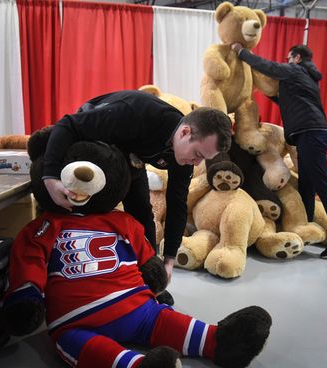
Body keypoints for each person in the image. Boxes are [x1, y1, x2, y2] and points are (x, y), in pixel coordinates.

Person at [42, 90, 232, 304]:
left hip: (132, 152)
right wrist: (50, 177)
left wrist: (168, 260)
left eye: (203, 159)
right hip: (93, 141)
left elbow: (177, 202)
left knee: (142, 213)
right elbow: (67, 125)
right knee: (93, 207)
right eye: (198, 154)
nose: (197, 163)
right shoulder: (135, 114)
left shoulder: (184, 156)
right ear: (184, 132)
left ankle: (150, 282)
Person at [231, 43, 327, 259]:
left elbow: (268, 67)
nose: (287, 61)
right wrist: (262, 88)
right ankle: (303, 226)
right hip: (312, 132)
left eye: (289, 58)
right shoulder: (305, 77)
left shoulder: (296, 70)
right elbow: (283, 99)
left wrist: (242, 53)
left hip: (311, 133)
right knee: (306, 183)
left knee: (321, 181)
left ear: (296, 58)